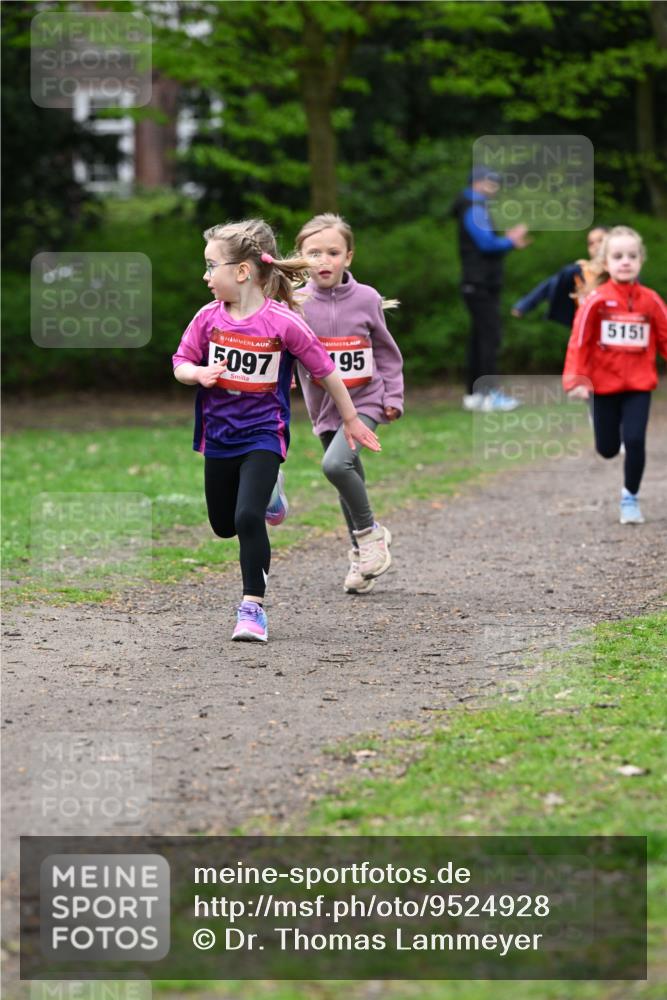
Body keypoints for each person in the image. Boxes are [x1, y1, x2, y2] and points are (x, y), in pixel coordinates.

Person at [172, 218, 381, 642]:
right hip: (219, 436)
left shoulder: (283, 322)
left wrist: (352, 419)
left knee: (248, 518)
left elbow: (327, 372)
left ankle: (252, 609)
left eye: (212, 266)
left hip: (264, 434)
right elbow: (180, 362)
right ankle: (272, 495)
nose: (206, 276)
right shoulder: (208, 318)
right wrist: (199, 374)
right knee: (223, 524)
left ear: (242, 272)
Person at [294, 213, 404, 595]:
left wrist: (393, 396)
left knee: (335, 465)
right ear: (300, 257)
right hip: (325, 410)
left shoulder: (367, 299)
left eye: (333, 252)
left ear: (349, 257)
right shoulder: (296, 302)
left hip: (368, 399)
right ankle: (363, 555)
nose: (323, 261)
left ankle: (370, 535)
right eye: (314, 253)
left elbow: (388, 353)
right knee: (347, 478)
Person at [563, 225, 667, 524]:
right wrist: (575, 379)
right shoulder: (596, 300)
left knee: (634, 440)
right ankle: (599, 423)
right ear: (605, 262)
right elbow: (578, 342)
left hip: (638, 386)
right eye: (618, 256)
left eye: (632, 256)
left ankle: (630, 498)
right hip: (603, 387)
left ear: (640, 261)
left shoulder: (651, 300)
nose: (625, 261)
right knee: (608, 449)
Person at [450, 165, 530, 412]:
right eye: (491, 182)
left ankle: (474, 395)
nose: (495, 187)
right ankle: (488, 394)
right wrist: (510, 241)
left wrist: (505, 241)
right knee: (489, 339)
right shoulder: (474, 207)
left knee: (478, 339)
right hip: (480, 284)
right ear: (478, 182)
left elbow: (485, 241)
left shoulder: (472, 206)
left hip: (477, 284)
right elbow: (486, 244)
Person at [511, 226, 610, 326]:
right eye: (591, 243)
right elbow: (551, 283)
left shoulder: (621, 272)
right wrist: (524, 305)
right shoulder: (579, 272)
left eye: (601, 240)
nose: (596, 246)